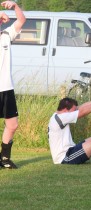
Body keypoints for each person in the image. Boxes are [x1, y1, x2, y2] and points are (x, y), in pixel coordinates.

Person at [0, 1, 26, 169]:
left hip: (6, 88)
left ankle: (4, 158)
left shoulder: (6, 35)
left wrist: (15, 6)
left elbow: (22, 20)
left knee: (12, 124)